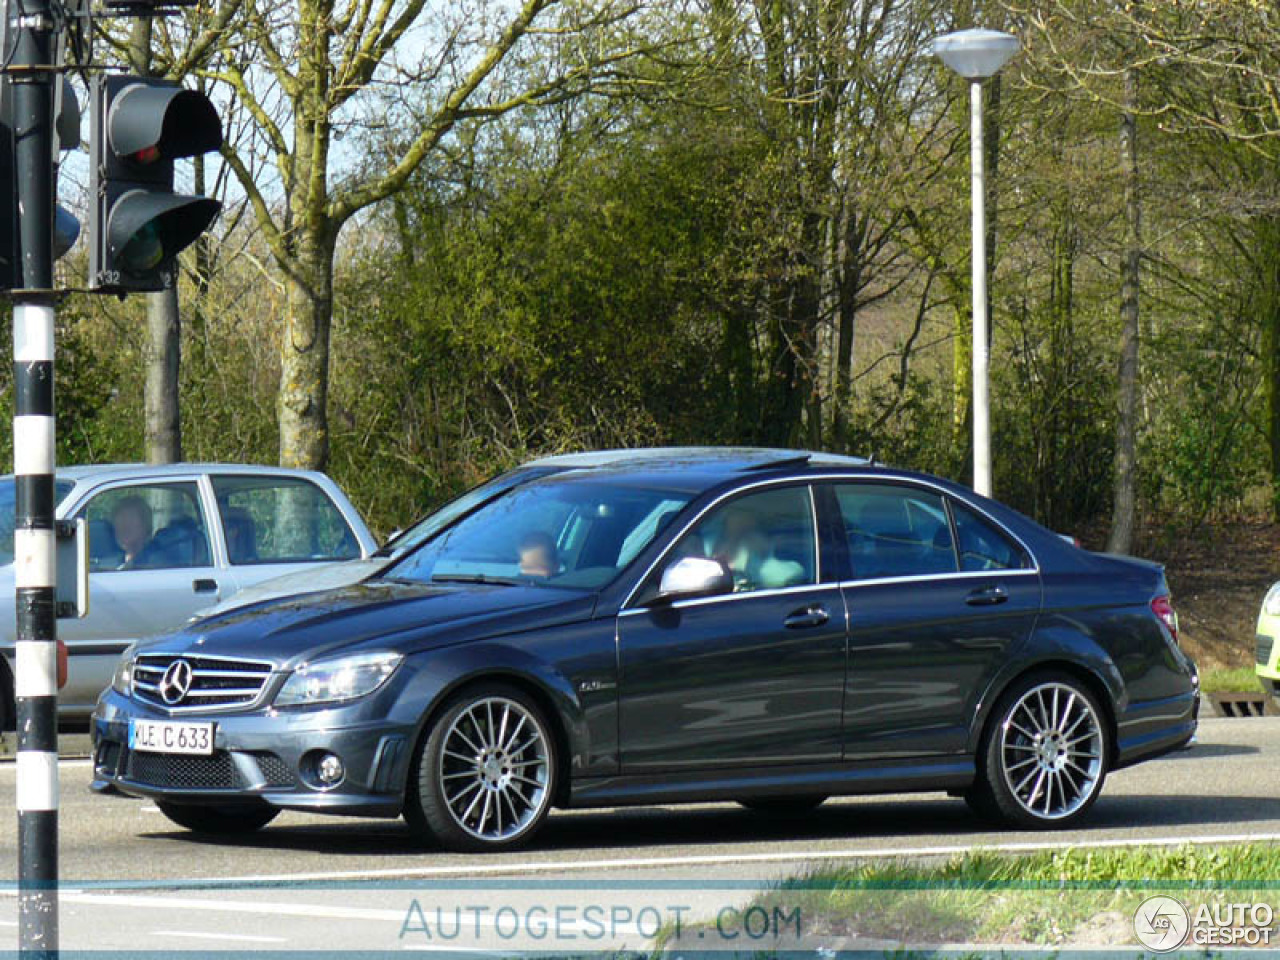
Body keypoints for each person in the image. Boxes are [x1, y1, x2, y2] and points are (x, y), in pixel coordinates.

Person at [111, 496, 153, 569]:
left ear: (144, 524)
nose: (124, 523)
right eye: (121, 517)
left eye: (131, 517)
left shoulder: (155, 561)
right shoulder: (112, 562)